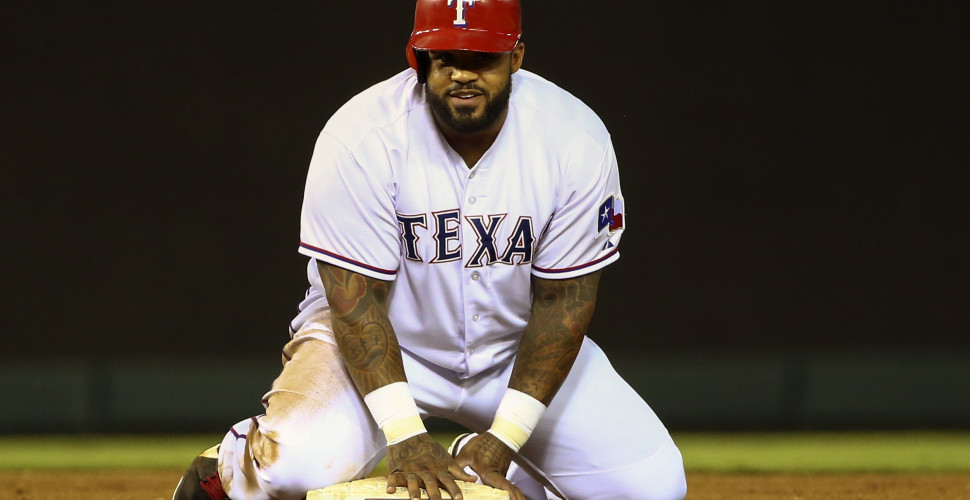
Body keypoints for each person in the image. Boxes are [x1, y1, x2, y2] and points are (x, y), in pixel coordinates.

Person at [174, 1, 686, 499]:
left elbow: (563, 305)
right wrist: (406, 433)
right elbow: (356, 302)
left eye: (481, 58)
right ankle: (229, 465)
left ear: (517, 57)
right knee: (292, 470)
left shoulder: (574, 139)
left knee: (652, 489)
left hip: (512, 348)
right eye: (446, 59)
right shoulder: (362, 135)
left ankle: (488, 460)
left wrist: (504, 439)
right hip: (381, 346)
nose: (463, 74)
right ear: (421, 59)